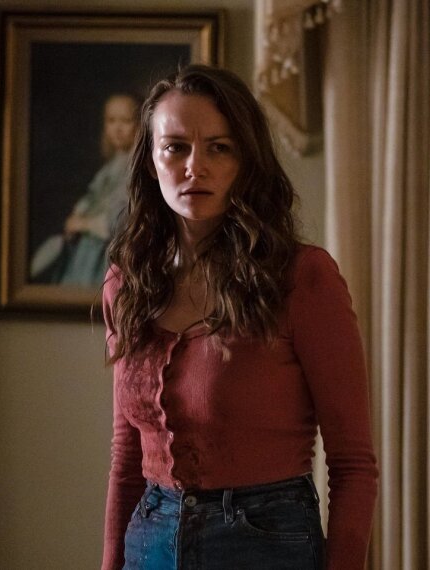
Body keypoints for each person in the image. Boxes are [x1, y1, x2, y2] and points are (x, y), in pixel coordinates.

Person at [101, 65, 378, 570]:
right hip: (150, 543)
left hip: (265, 542)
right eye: (175, 147)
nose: (195, 166)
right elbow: (127, 459)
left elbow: (353, 464)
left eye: (219, 148)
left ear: (246, 162)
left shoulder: (301, 277)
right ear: (151, 163)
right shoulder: (126, 283)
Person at [29, 93, 139, 287]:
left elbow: (122, 221)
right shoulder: (108, 169)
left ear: (138, 125)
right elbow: (91, 200)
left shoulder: (136, 170)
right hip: (86, 251)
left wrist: (84, 224)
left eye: (125, 121)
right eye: (111, 121)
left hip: (107, 255)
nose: (118, 128)